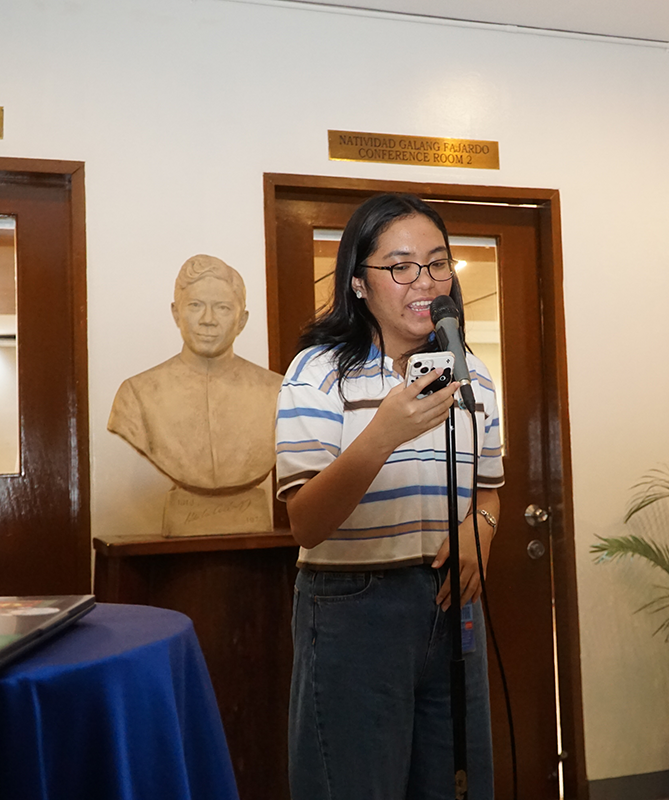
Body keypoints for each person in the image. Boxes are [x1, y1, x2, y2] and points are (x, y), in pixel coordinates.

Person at [275, 193, 504, 800]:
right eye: (401, 266)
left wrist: (479, 536)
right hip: (352, 607)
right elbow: (305, 522)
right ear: (358, 282)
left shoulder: (473, 375)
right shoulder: (318, 371)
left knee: (457, 782)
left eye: (437, 263)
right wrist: (384, 433)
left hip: (454, 609)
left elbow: (489, 492)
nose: (424, 283)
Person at [108, 254, 283, 493]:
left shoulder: (279, 392)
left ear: (241, 321)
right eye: (195, 305)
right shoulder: (137, 394)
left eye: (222, 308)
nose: (207, 320)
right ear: (176, 314)